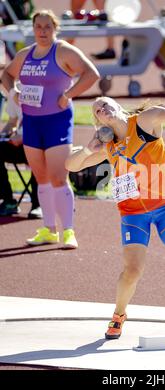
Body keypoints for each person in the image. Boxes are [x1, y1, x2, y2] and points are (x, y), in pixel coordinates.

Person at [65, 96, 165, 339]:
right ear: (98, 120)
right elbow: (72, 165)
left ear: (117, 106)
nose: (103, 109)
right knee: (132, 271)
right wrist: (88, 148)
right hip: (133, 213)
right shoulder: (108, 145)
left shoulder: (145, 121)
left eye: (106, 104)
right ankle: (118, 315)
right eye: (98, 110)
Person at [1, 9, 100, 248]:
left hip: (57, 120)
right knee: (41, 177)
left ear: (55, 29)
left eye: (47, 27)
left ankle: (68, 231)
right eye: (38, 27)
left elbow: (92, 74)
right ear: (33, 29)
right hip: (32, 122)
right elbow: (6, 75)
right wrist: (13, 92)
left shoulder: (63, 51)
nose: (43, 32)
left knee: (58, 177)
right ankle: (48, 229)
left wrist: (68, 95)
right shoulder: (25, 55)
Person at [0, 88, 42, 218]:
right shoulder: (15, 91)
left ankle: (38, 204)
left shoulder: (43, 89)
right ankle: (8, 201)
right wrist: (4, 135)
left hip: (39, 145)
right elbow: (12, 122)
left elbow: (45, 126)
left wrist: (25, 138)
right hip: (18, 146)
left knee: (37, 152)